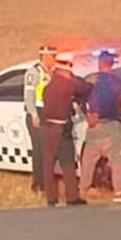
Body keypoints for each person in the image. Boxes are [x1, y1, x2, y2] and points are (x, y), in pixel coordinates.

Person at [79, 50, 121, 201]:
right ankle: (119, 191)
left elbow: (79, 98)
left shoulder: (90, 80)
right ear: (111, 64)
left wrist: (87, 114)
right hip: (112, 125)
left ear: (99, 64)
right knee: (116, 159)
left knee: (88, 159)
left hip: (94, 124)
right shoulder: (117, 82)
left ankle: (83, 188)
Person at [40, 53, 91, 207]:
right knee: (68, 163)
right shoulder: (68, 84)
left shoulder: (49, 86)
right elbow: (85, 87)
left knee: (48, 164)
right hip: (61, 128)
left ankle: (51, 198)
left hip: (47, 128)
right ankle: (72, 196)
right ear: (68, 66)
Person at [23, 45, 57, 193]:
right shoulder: (34, 72)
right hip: (37, 113)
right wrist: (34, 114)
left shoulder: (51, 72)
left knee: (47, 150)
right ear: (45, 57)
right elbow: (28, 96)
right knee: (39, 151)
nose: (54, 60)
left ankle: (46, 180)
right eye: (52, 57)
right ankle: (38, 184)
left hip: (47, 113)